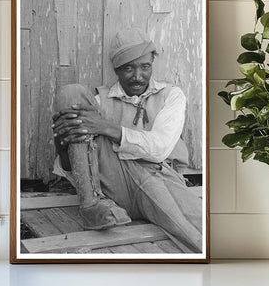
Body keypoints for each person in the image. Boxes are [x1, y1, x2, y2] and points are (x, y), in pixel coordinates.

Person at [52, 27, 202, 252]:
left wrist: (106, 127)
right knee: (71, 94)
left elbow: (159, 149)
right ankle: (90, 206)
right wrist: (63, 144)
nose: (137, 76)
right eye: (128, 68)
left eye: (145, 67)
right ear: (116, 69)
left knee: (199, 232)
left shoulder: (171, 96)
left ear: (153, 63)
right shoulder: (99, 101)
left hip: (158, 178)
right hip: (114, 185)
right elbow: (76, 167)